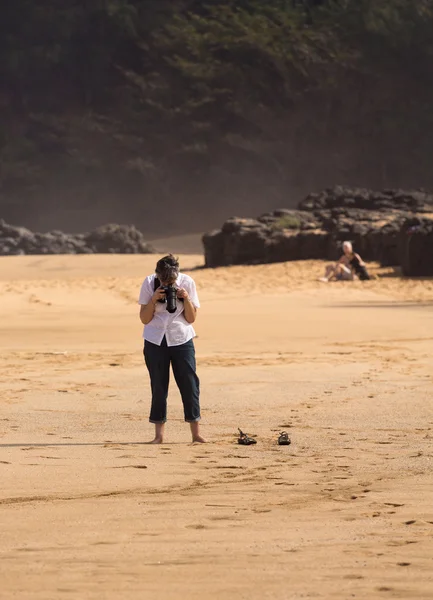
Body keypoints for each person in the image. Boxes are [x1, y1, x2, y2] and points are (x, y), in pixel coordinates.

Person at [138, 254, 205, 444]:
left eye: (171, 281)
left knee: (190, 385)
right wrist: (153, 299)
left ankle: (196, 434)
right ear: (157, 275)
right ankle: (158, 436)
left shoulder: (187, 282)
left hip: (181, 339)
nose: (168, 284)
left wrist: (185, 299)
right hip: (155, 340)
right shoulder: (149, 282)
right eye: (163, 280)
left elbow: (191, 318)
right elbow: (144, 318)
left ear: (177, 275)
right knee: (159, 386)